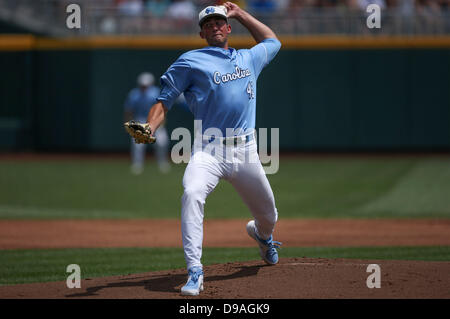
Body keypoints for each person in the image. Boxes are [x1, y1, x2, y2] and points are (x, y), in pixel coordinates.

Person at [144, 2, 282, 296]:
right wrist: (150, 128)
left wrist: (242, 13)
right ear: (202, 33)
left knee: (269, 215)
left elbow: (273, 41)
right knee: (192, 194)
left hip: (246, 152)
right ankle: (195, 271)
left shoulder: (248, 58)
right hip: (209, 151)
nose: (215, 27)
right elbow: (164, 100)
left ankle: (262, 236)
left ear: (229, 27)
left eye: (220, 22)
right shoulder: (190, 62)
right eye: (208, 25)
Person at [124, 72, 170, 174]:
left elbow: (162, 108)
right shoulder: (134, 94)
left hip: (154, 119)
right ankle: (137, 165)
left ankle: (162, 163)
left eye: (146, 85)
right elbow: (129, 111)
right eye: (142, 85)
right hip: (139, 120)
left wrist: (162, 120)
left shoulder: (156, 92)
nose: (144, 87)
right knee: (138, 145)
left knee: (162, 143)